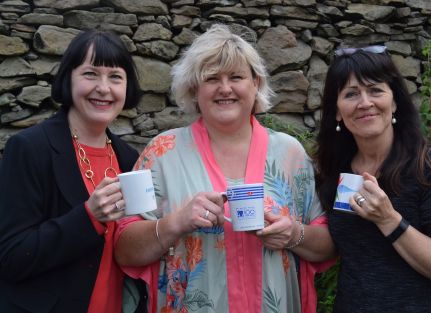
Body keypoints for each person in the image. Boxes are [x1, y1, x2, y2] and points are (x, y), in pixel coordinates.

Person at [114, 24, 335, 313]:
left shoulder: (289, 153)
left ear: (255, 84)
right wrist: (176, 222)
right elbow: (124, 249)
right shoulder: (162, 152)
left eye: (237, 77)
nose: (225, 88)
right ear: (194, 89)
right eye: (212, 78)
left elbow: (327, 245)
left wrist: (294, 235)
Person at [314, 45, 431, 312]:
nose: (365, 103)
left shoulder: (430, 167)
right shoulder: (333, 171)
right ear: (337, 111)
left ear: (394, 101)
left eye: (375, 90)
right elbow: (333, 247)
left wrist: (389, 219)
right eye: (351, 94)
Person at [0, 29, 145, 313]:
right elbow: (10, 256)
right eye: (90, 74)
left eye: (115, 77)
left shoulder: (128, 158)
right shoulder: (30, 149)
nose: (104, 88)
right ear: (68, 78)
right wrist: (89, 217)